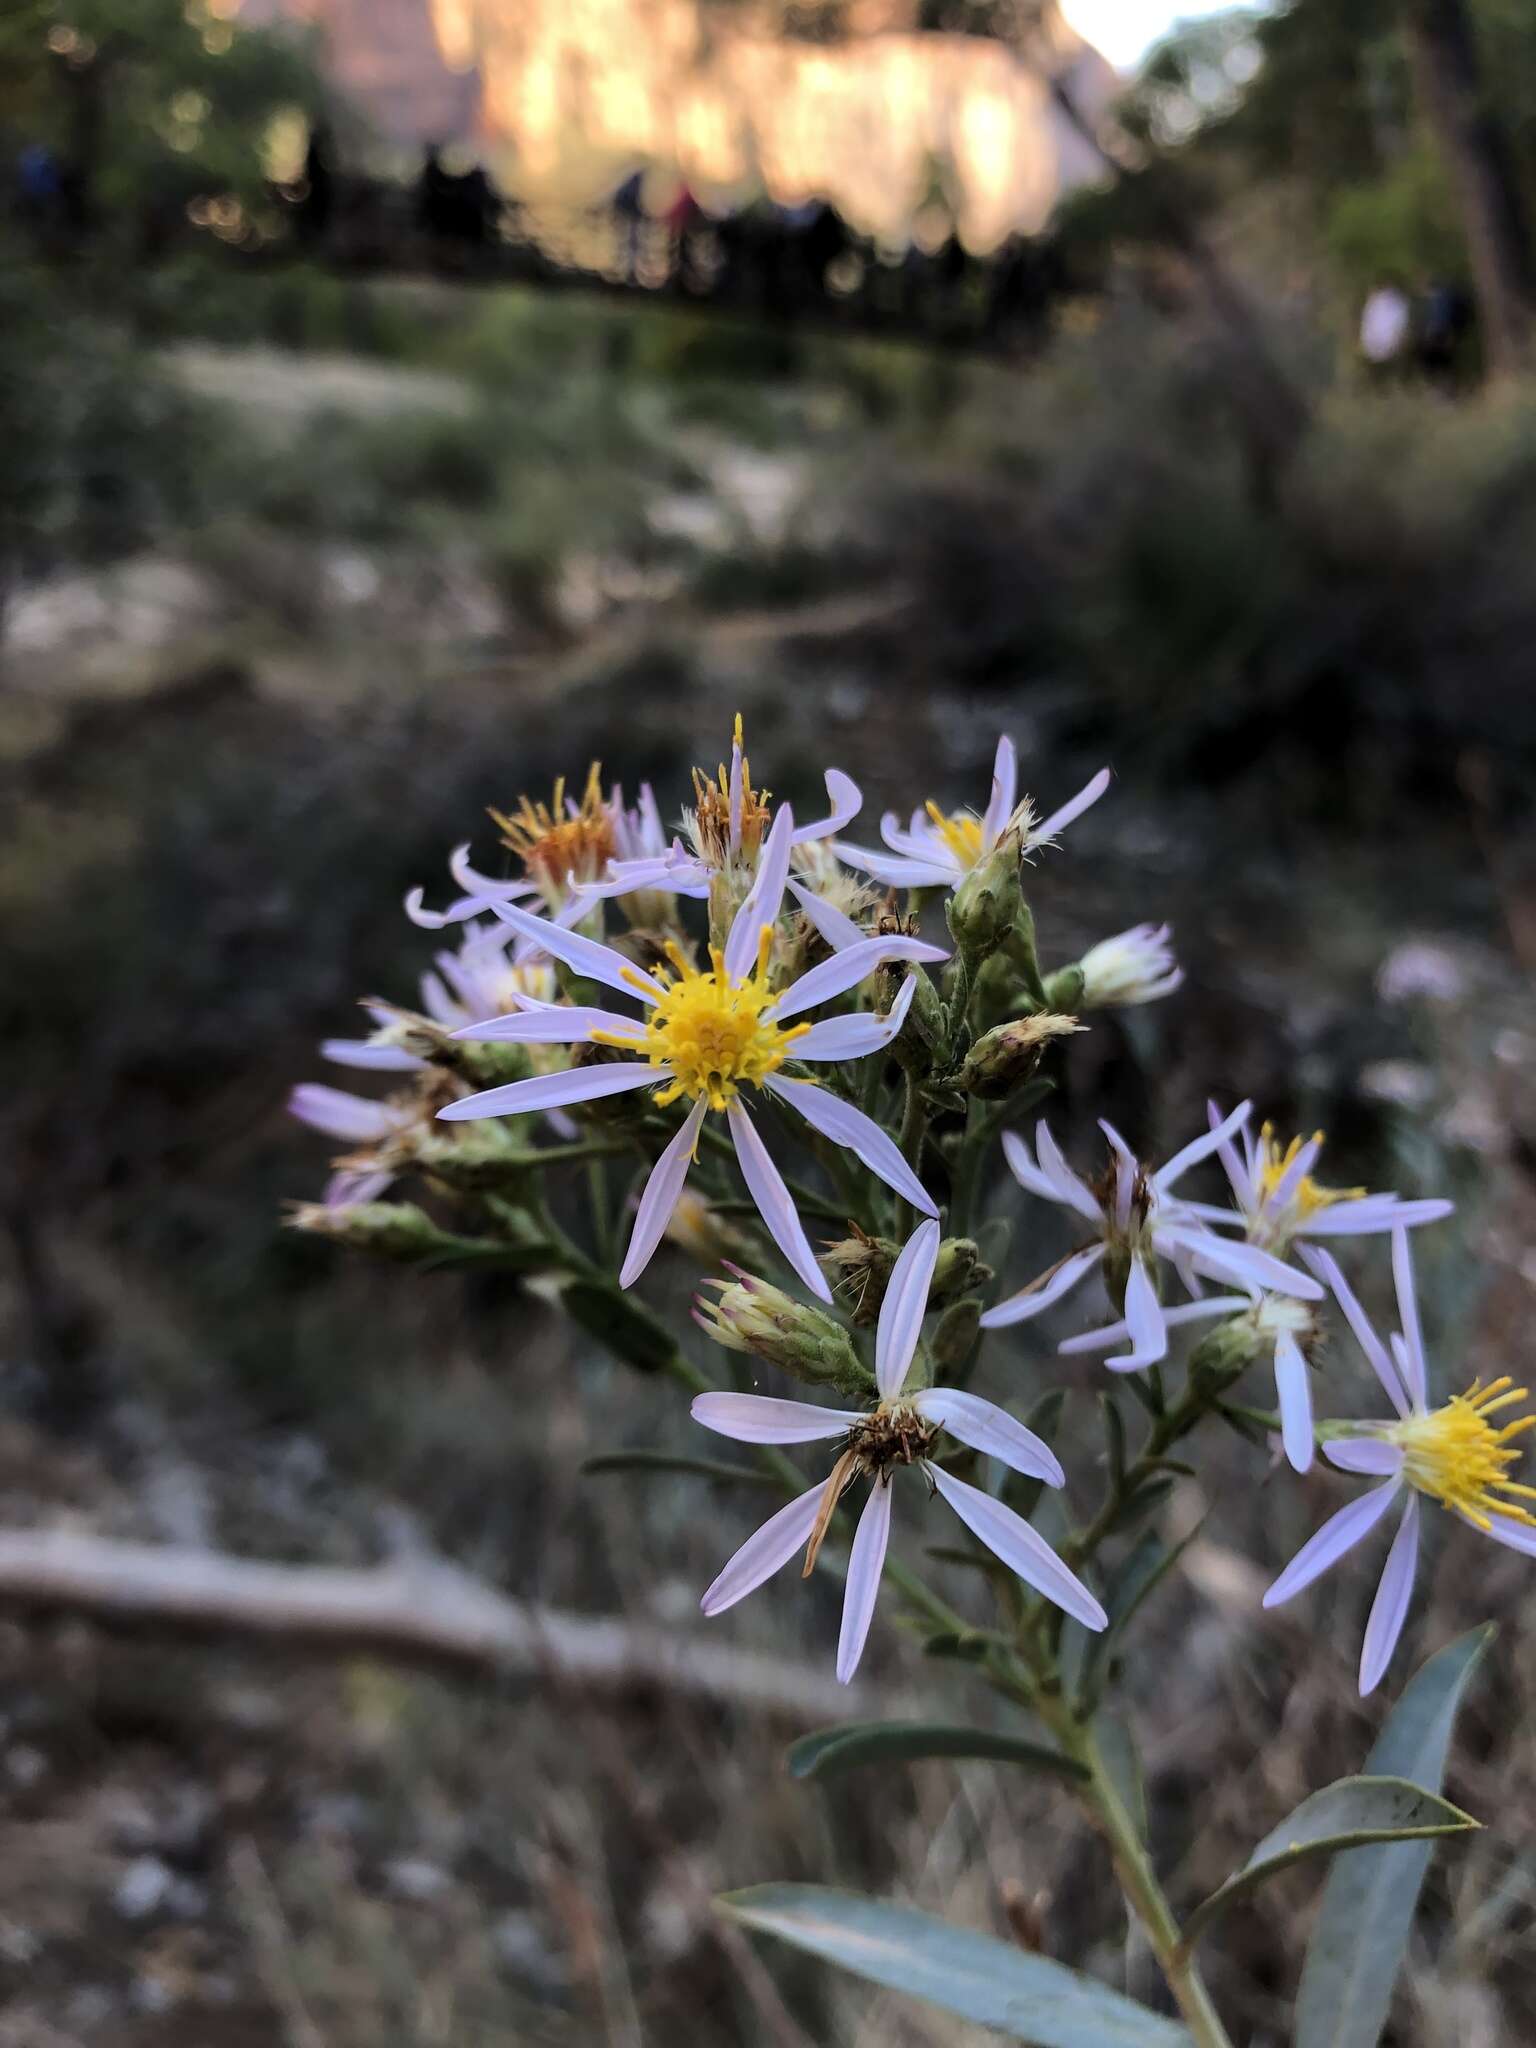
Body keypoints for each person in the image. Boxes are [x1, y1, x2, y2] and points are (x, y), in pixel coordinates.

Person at [1358, 276, 1411, 382]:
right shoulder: (1375, 301)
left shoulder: (1397, 302)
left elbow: (1400, 324)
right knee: (1379, 373)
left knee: (1385, 373)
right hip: (1378, 344)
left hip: (1386, 344)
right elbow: (1368, 322)